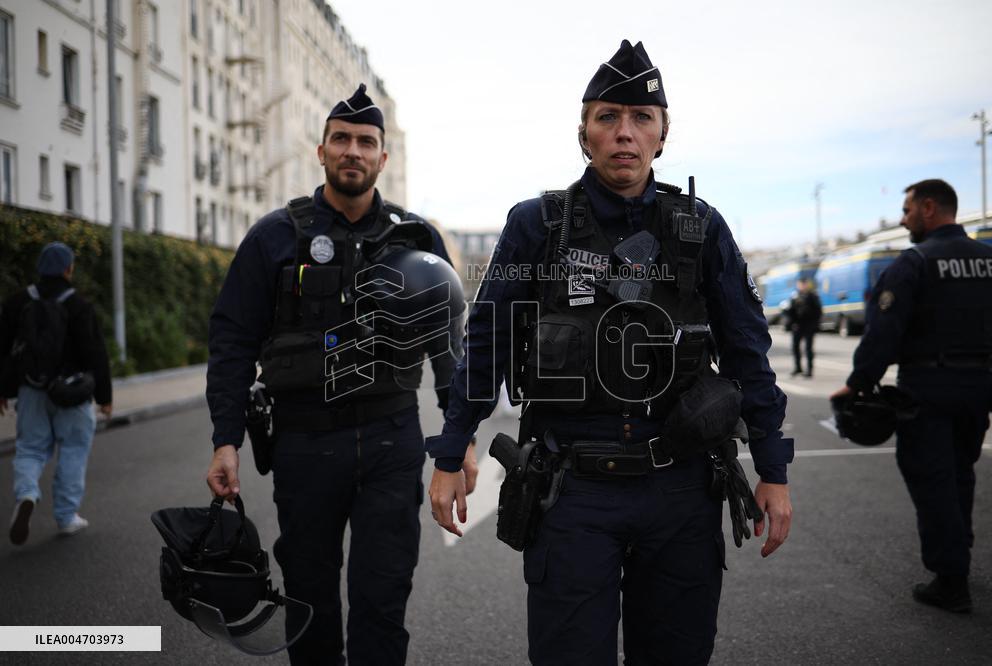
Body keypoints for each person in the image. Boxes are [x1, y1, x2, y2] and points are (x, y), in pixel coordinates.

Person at [426, 41, 793, 664]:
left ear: (662, 133)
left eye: (640, 118)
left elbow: (747, 352)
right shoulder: (535, 225)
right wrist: (451, 444)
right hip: (571, 490)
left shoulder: (701, 226)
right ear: (584, 134)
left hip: (680, 488)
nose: (624, 133)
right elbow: (487, 340)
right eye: (607, 118)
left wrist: (773, 469)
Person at [204, 84, 475, 665]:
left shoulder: (416, 238)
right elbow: (231, 341)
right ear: (321, 151)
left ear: (383, 157)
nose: (353, 150)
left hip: (390, 440)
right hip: (305, 443)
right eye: (342, 139)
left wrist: (462, 443)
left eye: (366, 142)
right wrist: (225, 439)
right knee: (310, 602)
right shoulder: (274, 237)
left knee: (383, 601)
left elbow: (450, 350)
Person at [831, 179, 992, 613]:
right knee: (961, 472)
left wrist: (858, 382)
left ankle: (950, 579)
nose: (903, 220)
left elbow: (883, 333)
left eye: (907, 211)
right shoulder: (991, 260)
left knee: (933, 479)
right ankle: (957, 556)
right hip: (980, 386)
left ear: (928, 208)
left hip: (927, 388)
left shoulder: (915, 262)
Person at [0, 242, 113, 545]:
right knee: (74, 449)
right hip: (71, 392)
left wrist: (2, 390)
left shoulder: (18, 301)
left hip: (31, 389)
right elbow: (96, 353)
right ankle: (66, 516)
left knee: (30, 448)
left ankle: (26, 493)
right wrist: (104, 396)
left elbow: (3, 348)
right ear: (68, 269)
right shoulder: (79, 305)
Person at [787, 278, 822, 377]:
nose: (802, 286)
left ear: (807, 285)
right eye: (800, 284)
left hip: (809, 326)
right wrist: (791, 323)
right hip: (797, 326)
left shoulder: (812, 296)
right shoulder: (795, 296)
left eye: (804, 284)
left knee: (808, 348)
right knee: (795, 347)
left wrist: (815, 324)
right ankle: (798, 368)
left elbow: (818, 311)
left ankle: (809, 370)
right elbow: (791, 311)